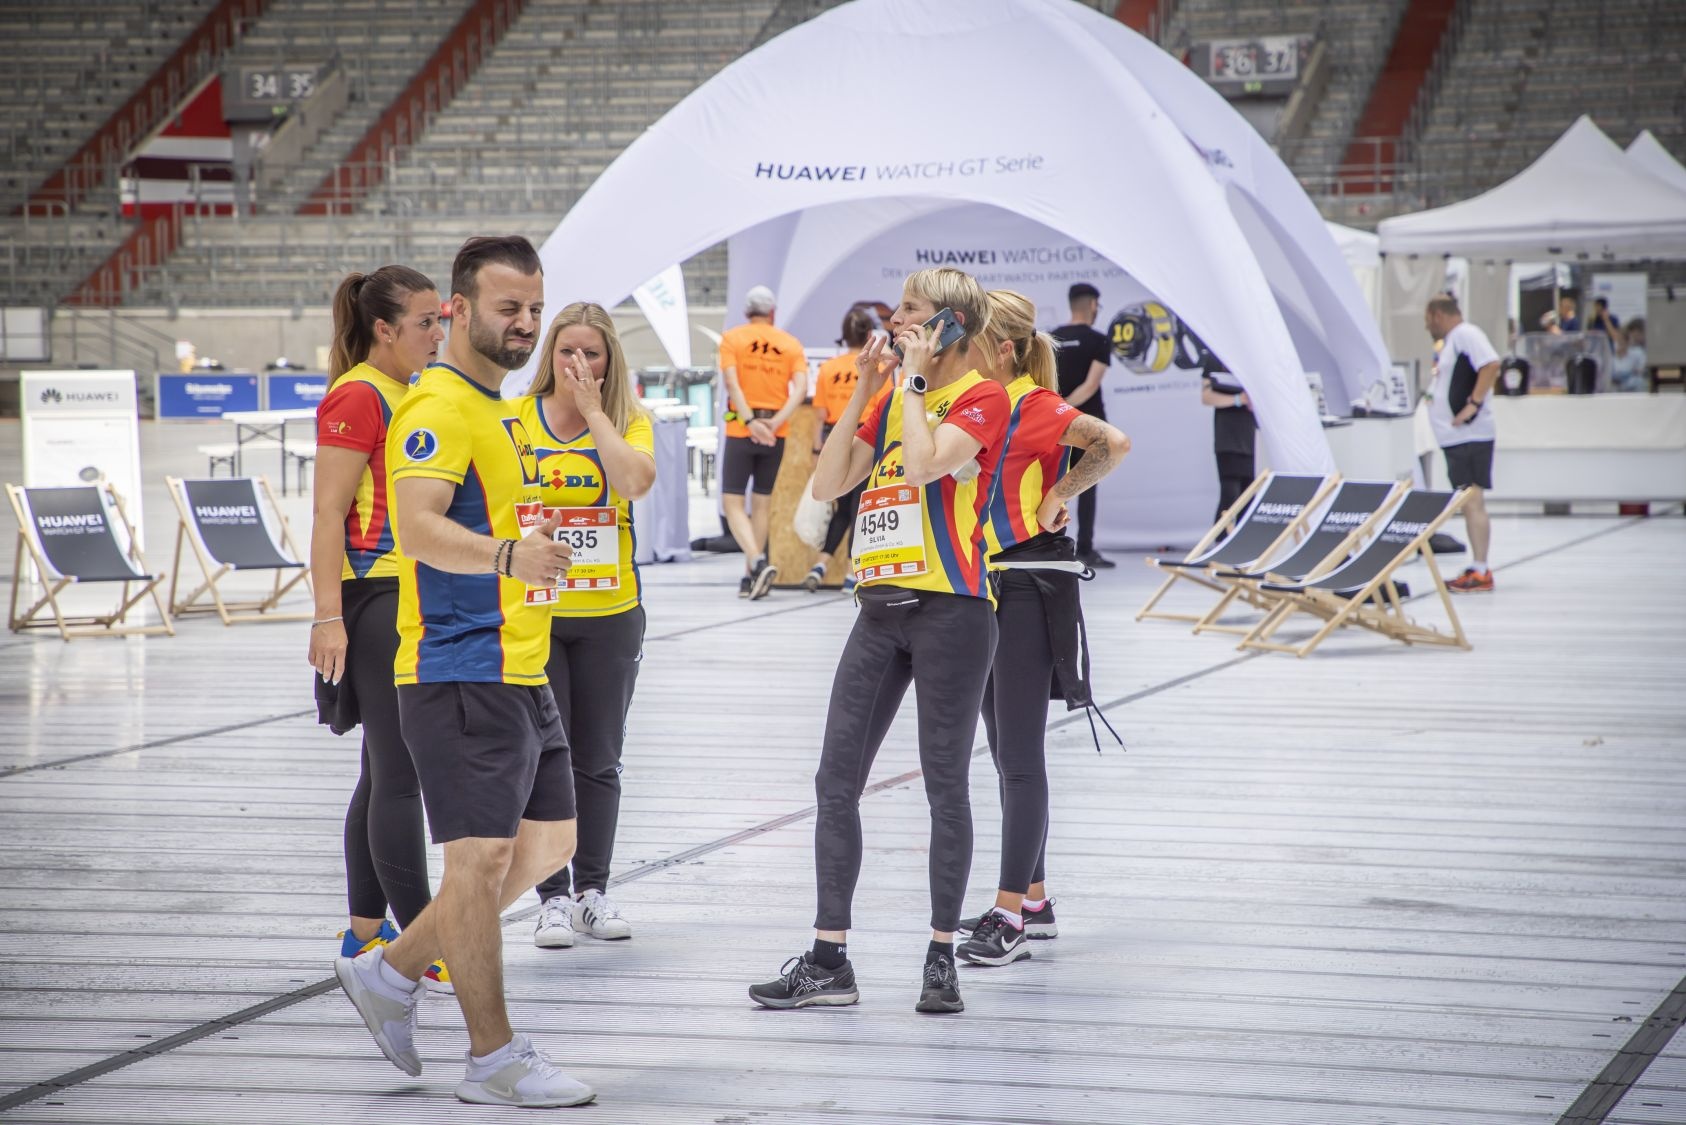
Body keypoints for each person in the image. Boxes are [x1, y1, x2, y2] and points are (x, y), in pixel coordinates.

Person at [333, 236, 594, 1109]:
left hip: (518, 666)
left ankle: (393, 970)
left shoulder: (493, 405)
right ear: (458, 309)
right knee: (477, 861)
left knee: (551, 843)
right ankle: (493, 1057)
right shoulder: (438, 407)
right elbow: (415, 528)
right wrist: (511, 552)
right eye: (506, 307)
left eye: (533, 307)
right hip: (458, 666)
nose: (524, 323)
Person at [749, 267, 1009, 1015]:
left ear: (951, 327)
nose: (894, 323)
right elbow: (828, 486)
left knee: (943, 782)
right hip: (878, 610)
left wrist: (918, 385)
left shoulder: (980, 396)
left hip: (952, 610)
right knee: (836, 781)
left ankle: (939, 954)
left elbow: (928, 465)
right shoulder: (896, 398)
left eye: (911, 314)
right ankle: (830, 957)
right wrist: (868, 388)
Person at [956, 290, 1130, 968]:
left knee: (1019, 756)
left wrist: (1061, 492)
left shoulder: (1032, 404)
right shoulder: (983, 403)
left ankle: (1008, 916)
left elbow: (1112, 442)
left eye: (967, 340)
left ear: (1000, 346)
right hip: (988, 584)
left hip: (1025, 588)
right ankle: (1034, 899)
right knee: (1007, 754)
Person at [310, 265, 451, 994]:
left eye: (442, 320)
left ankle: (366, 932)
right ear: (384, 328)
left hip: (411, 595)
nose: (439, 333)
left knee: (382, 769)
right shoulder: (359, 394)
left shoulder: (412, 391)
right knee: (402, 773)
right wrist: (328, 615)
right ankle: (424, 936)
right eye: (427, 321)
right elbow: (329, 512)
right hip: (375, 601)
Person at [519, 303, 655, 949]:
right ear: (549, 353)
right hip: (534, 614)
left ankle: (591, 892)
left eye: (592, 353)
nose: (578, 364)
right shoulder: (515, 419)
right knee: (544, 757)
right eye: (567, 351)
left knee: (598, 759)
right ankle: (549, 895)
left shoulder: (629, 420)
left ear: (610, 361)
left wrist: (596, 412)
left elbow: (633, 483)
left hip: (608, 613)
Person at [717, 285, 808, 599]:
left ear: (747, 312)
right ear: (772, 313)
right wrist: (776, 421)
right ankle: (750, 576)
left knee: (732, 501)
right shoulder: (790, 344)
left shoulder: (732, 339)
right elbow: (799, 389)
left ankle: (756, 562)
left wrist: (750, 421)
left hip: (742, 430)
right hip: (775, 433)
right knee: (762, 503)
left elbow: (733, 384)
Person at [1424, 294, 1501, 593]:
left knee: (1473, 501)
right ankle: (1478, 565)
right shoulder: (1455, 341)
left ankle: (1481, 569)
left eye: (1427, 320)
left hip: (1469, 435)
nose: (1427, 327)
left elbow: (1491, 364)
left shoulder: (1466, 334)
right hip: (1458, 437)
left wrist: (1473, 404)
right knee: (1469, 502)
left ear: (1437, 315)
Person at [803, 305, 876, 592]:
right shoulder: (874, 368)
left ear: (843, 336)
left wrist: (816, 452)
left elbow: (819, 415)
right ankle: (850, 573)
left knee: (842, 509)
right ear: (870, 334)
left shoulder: (828, 369)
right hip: (865, 440)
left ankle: (820, 566)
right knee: (860, 508)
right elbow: (883, 411)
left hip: (835, 438)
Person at [1050, 283, 1116, 570]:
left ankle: (1050, 544)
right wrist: (1071, 412)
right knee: (1087, 485)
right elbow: (1091, 385)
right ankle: (1085, 549)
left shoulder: (1051, 338)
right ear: (1092, 305)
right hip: (1090, 426)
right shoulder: (1099, 340)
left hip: (1054, 423)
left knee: (1051, 482)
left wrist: (1058, 411)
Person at [1198, 361, 1257, 522]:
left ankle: (1244, 541)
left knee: (1250, 495)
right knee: (1230, 494)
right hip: (1229, 439)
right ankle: (1221, 540)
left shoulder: (1252, 359)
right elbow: (1206, 397)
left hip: (1253, 439)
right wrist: (1238, 399)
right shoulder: (1216, 359)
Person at [1611, 319, 1649, 392]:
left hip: (1631, 387)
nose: (1620, 344)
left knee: (1638, 382)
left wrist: (1633, 373)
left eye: (1623, 341)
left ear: (1627, 342)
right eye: (1619, 341)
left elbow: (1640, 370)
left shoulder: (1636, 353)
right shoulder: (1612, 358)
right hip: (1616, 388)